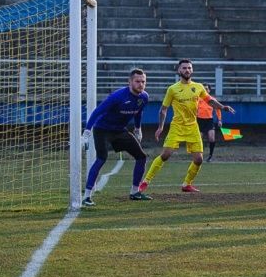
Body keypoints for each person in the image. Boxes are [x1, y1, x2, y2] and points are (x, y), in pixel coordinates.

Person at [141, 60, 234, 195]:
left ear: (192, 70)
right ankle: (145, 181)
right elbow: (163, 109)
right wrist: (160, 127)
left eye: (189, 68)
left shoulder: (199, 87)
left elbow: (210, 100)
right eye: (184, 68)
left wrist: (223, 107)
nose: (187, 70)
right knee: (166, 155)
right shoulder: (172, 89)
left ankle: (187, 184)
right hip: (177, 127)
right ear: (179, 70)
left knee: (199, 159)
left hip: (192, 127)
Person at [81, 69, 151, 206]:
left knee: (141, 157)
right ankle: (86, 197)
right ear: (129, 82)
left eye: (143, 82)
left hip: (120, 131)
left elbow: (138, 113)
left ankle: (135, 192)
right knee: (101, 158)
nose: (141, 84)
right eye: (137, 81)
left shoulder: (144, 97)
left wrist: (138, 128)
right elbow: (97, 112)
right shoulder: (117, 96)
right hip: (103, 130)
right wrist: (87, 131)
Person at [196, 93, 223, 162]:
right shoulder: (198, 99)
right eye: (204, 88)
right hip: (200, 120)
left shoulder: (212, 99)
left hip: (209, 120)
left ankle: (210, 156)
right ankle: (199, 155)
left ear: (209, 90)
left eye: (207, 88)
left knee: (211, 138)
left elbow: (218, 109)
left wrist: (219, 120)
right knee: (199, 138)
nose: (205, 90)